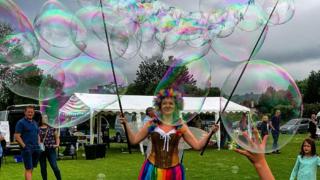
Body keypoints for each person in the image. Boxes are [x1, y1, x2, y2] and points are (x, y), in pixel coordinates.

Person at [119, 88, 219, 179]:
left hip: (174, 171)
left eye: (171, 103)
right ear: (159, 106)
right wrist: (125, 124)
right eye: (164, 103)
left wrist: (211, 132)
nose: (168, 105)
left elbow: (197, 146)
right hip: (152, 170)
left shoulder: (181, 126)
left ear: (176, 106)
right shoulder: (151, 124)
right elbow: (133, 140)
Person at [14, 105, 41, 180]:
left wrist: (38, 144)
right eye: (28, 112)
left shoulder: (35, 122)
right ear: (25, 112)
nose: (30, 113)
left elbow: (37, 134)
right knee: (28, 168)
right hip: (27, 149)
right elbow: (17, 136)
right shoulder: (21, 122)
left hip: (36, 148)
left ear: (34, 113)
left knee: (31, 168)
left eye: (32, 112)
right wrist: (24, 146)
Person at [39, 115, 62, 180]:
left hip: (51, 149)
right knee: (43, 168)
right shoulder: (38, 128)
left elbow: (57, 137)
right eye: (44, 118)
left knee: (54, 166)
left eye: (46, 118)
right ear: (41, 119)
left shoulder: (52, 128)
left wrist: (57, 144)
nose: (45, 119)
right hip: (42, 150)